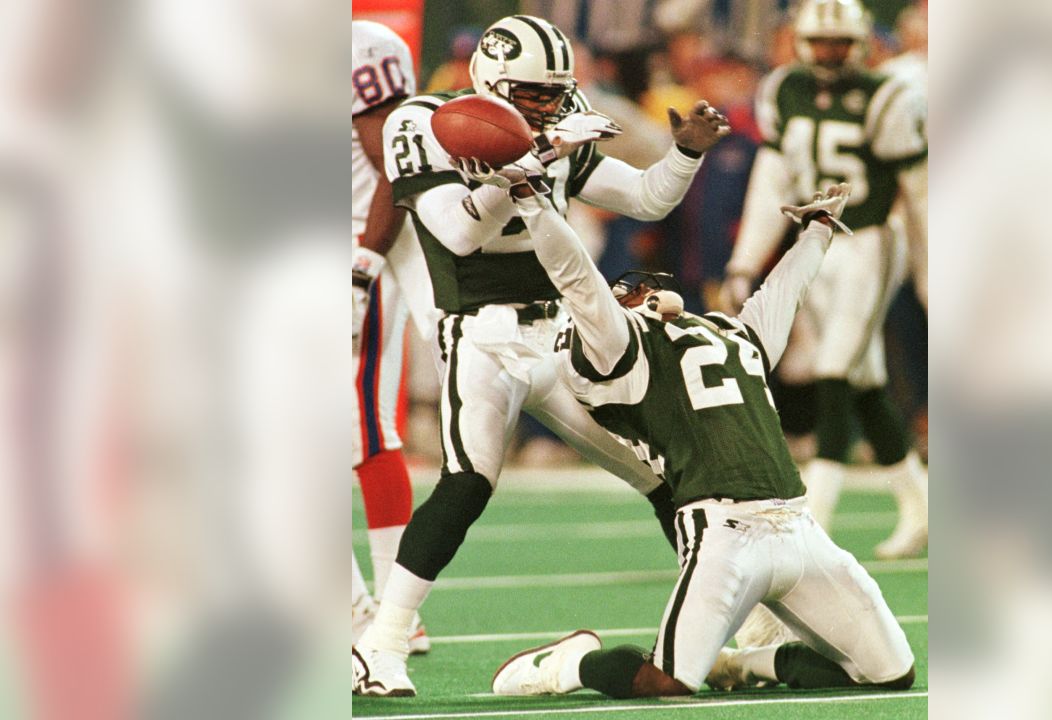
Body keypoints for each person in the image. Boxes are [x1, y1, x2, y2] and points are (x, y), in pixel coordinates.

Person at [351, 14, 730, 697]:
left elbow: (645, 200)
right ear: (493, 82)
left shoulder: (555, 121)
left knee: (660, 472)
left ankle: (727, 614)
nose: (549, 104)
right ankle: (382, 643)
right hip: (482, 335)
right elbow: (460, 233)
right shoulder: (424, 123)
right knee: (468, 482)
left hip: (560, 335)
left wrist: (685, 154)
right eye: (532, 94)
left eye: (556, 92)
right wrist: (536, 154)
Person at [486, 179, 915, 698]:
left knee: (891, 674)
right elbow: (576, 276)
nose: (642, 289)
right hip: (723, 532)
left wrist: (816, 232)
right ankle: (572, 665)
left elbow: (781, 293)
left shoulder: (727, 334)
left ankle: (742, 667)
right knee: (666, 682)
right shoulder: (622, 349)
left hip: (801, 529)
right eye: (629, 291)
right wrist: (534, 204)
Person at [721, 0, 929, 572]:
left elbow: (919, 189)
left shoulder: (887, 94)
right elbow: (771, 181)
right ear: (803, 42)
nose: (831, 53)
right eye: (822, 42)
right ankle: (923, 506)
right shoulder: (783, 88)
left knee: (835, 370)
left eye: (841, 43)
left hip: (870, 239)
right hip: (817, 244)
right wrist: (745, 262)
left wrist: (932, 269)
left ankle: (812, 521)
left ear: (860, 43)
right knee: (863, 382)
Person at [349, 19, 428, 656]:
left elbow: (393, 168)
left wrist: (365, 265)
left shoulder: (363, 46)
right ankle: (356, 609)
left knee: (365, 428)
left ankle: (391, 614)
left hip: (353, 252)